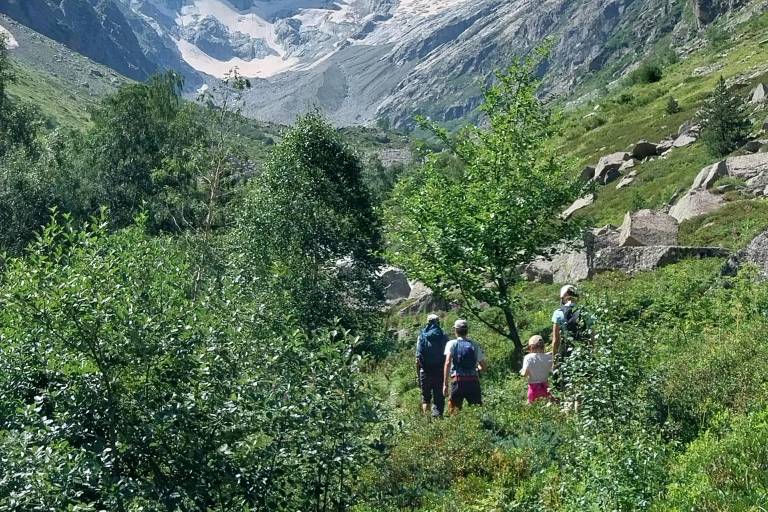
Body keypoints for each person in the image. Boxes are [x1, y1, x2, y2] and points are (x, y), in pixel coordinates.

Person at [443, 319, 486, 412]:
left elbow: (447, 363)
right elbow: (483, 366)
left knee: (454, 412)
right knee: (477, 411)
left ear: (455, 331)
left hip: (457, 381)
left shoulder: (451, 344)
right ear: (467, 330)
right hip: (473, 381)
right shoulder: (474, 344)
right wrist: (478, 369)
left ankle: (456, 426)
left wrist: (445, 384)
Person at [416, 314, 448, 417]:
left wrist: (418, 374)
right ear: (438, 323)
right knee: (439, 398)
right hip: (440, 371)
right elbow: (448, 357)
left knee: (426, 398)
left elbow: (417, 359)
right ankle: (438, 420)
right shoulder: (444, 336)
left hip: (425, 371)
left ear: (427, 323)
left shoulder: (421, 336)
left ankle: (428, 423)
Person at [520, 335, 553, 404]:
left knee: (531, 409)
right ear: (543, 346)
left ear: (531, 347)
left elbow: (524, 374)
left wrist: (522, 371)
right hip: (545, 388)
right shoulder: (550, 357)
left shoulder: (528, 357)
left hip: (533, 389)